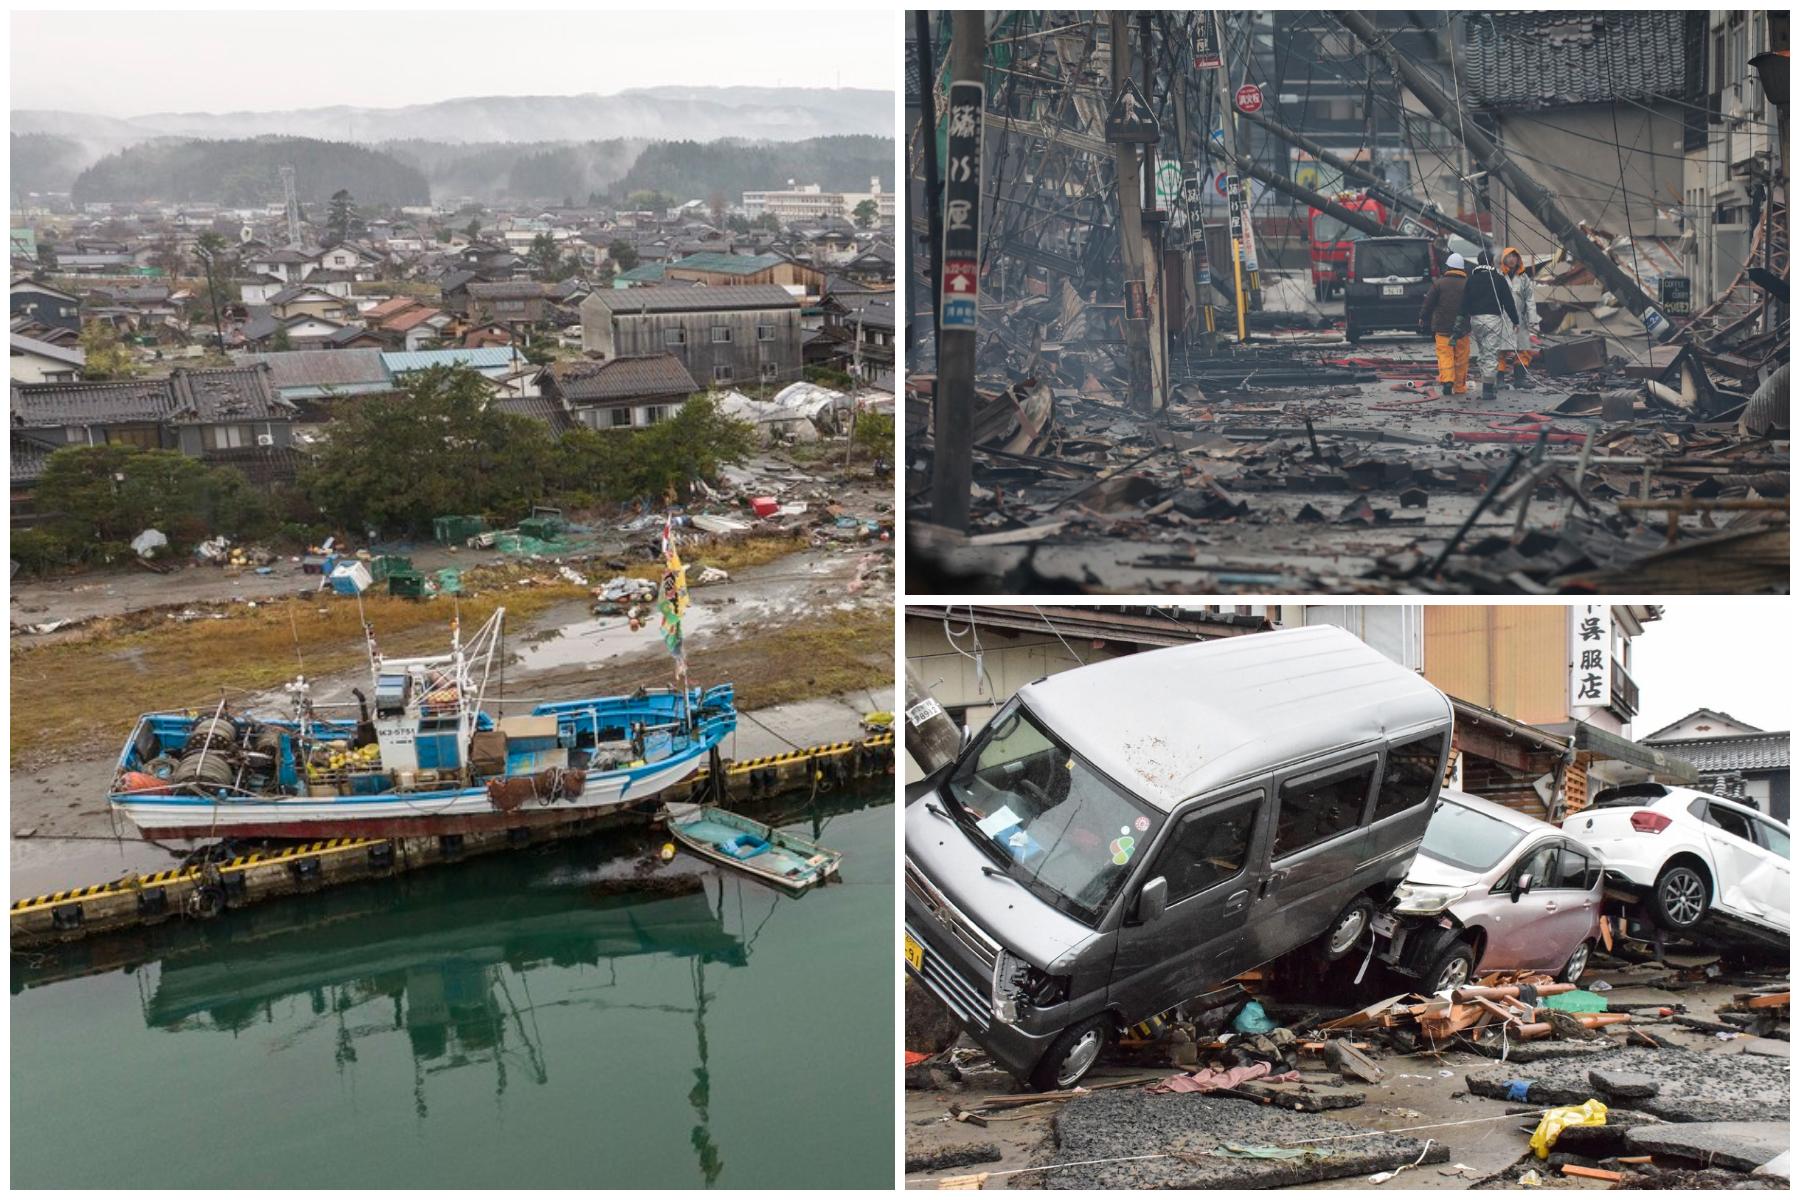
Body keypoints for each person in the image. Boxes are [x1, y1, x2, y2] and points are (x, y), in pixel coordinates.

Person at [1459, 248, 1520, 400]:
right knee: (1491, 353)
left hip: (1476, 320)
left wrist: (1460, 319)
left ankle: (1487, 382)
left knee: (1483, 352)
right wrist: (1515, 320)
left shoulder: (1471, 280)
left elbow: (1464, 302)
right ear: (1492, 262)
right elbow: (1508, 302)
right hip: (1493, 320)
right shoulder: (1498, 279)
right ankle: (1487, 389)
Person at [1418, 251, 1470, 396]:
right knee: (1461, 358)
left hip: (1442, 328)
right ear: (1462, 268)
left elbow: (1428, 303)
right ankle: (1459, 387)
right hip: (1462, 329)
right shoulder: (1468, 284)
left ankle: (1447, 380)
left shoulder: (1439, 284)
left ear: (1448, 267)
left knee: (1445, 355)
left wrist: (1423, 317)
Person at [1496, 246, 1538, 384]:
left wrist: (1532, 319)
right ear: (1504, 259)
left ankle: (1520, 378)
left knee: (1523, 348)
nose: (1512, 259)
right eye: (1509, 256)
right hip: (1502, 318)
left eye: (1514, 256)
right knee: (1500, 350)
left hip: (1520, 319)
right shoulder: (1498, 276)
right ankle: (1499, 379)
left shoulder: (1524, 278)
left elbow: (1530, 299)